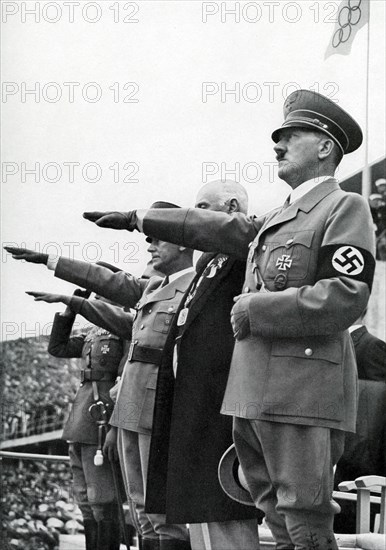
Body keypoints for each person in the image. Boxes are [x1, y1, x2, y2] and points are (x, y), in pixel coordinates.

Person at [81, 90, 376, 548]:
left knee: (304, 518)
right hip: (253, 394)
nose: (277, 144)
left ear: (324, 147)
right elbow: (218, 228)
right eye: (277, 136)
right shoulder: (279, 216)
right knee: (275, 515)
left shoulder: (344, 207)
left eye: (290, 135)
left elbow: (347, 296)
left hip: (302, 392)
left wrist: (255, 307)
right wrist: (141, 219)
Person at [5, 202, 195, 550]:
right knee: (138, 507)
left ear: (182, 243)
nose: (150, 247)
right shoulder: (151, 294)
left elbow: (133, 355)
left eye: (157, 239)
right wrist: (66, 295)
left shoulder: (188, 289)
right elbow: (61, 346)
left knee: (141, 507)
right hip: (116, 412)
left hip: (135, 410)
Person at [143, 181, 261, 550]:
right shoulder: (211, 263)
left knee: (224, 510)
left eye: (202, 208)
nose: (193, 219)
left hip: (221, 401)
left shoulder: (247, 249)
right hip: (195, 402)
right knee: (200, 518)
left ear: (231, 208)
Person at [38, 288, 133, 550]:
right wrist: (69, 310)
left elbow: (126, 381)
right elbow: (57, 347)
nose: (96, 303)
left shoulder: (128, 327)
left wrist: (115, 424)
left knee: (102, 499)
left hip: (102, 418)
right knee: (84, 500)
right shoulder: (92, 332)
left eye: (102, 297)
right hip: (81, 418)